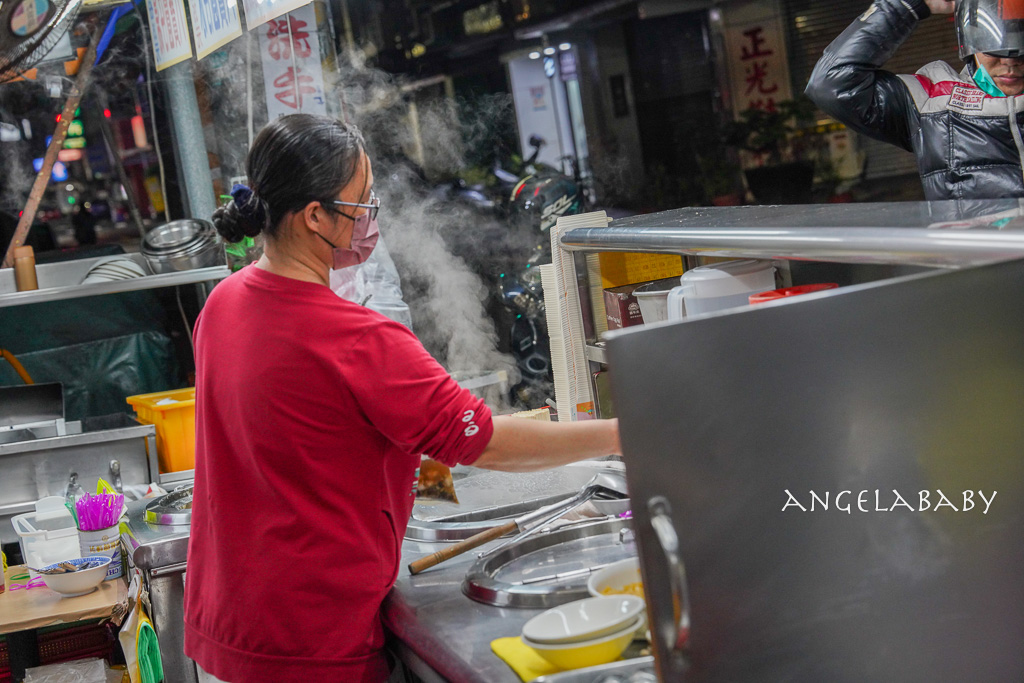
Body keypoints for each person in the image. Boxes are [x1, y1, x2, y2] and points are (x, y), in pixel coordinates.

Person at [182, 113, 622, 683]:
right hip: (312, 639)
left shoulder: (223, 304)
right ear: (315, 215)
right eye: (362, 202)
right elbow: (485, 441)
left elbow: (301, 435)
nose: (371, 218)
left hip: (229, 622)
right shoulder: (354, 337)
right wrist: (624, 430)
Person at [806, 0, 1024, 200]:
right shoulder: (930, 99)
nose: (1009, 62)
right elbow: (830, 84)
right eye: (993, 47)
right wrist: (906, 5)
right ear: (970, 40)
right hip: (974, 241)